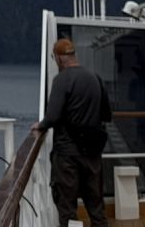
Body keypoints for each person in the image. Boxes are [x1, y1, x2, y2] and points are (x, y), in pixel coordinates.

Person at [33, 37, 112, 227]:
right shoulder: (95, 78)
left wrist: (40, 125)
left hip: (68, 156)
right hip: (92, 154)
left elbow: (52, 116)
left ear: (59, 58)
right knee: (96, 209)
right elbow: (107, 115)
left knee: (68, 210)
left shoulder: (62, 80)